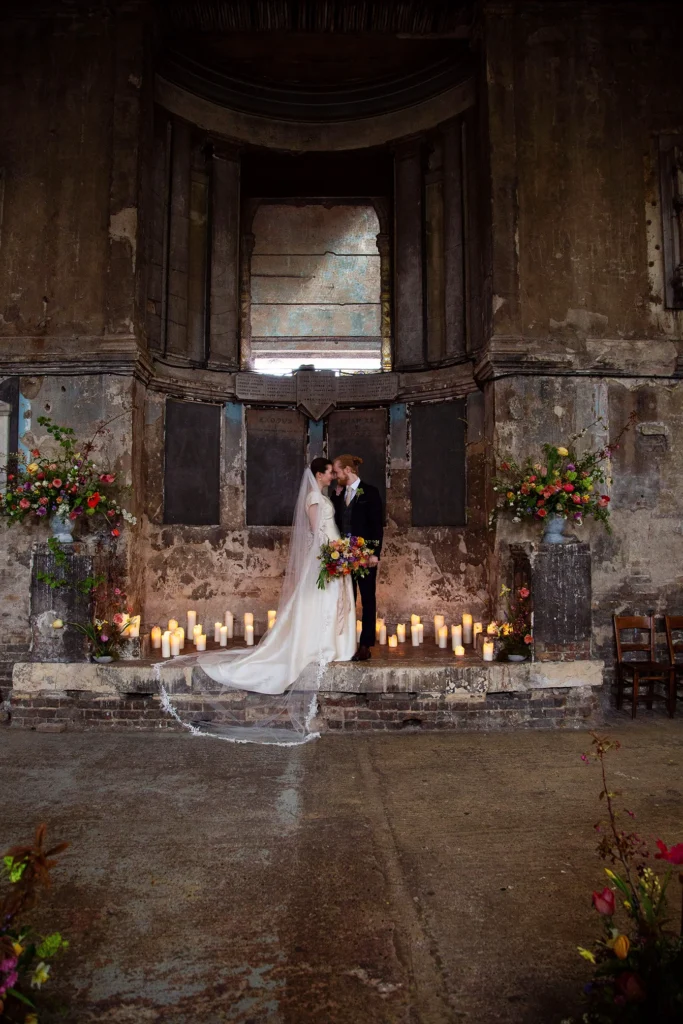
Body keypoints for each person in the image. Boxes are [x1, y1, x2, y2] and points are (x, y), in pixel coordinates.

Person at [161, 458, 357, 745]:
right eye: (329, 472)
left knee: (327, 602)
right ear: (320, 473)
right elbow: (316, 534)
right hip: (325, 557)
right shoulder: (315, 497)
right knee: (319, 602)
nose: (332, 476)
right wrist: (332, 556)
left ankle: (331, 643)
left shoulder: (324, 496)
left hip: (334, 555)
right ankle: (320, 644)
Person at [330, 454, 383, 662]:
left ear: (348, 471)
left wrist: (374, 553)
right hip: (343, 556)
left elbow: (376, 525)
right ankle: (347, 642)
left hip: (365, 556)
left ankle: (366, 644)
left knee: (368, 599)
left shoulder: (370, 492)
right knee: (347, 599)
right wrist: (336, 496)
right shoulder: (338, 493)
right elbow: (336, 521)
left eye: (337, 472)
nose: (335, 476)